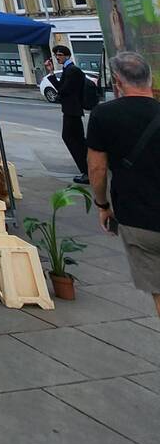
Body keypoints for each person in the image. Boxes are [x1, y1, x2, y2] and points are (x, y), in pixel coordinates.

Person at [86, 50, 160, 318]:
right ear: (150, 80)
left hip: (139, 219)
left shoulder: (103, 115)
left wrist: (102, 205)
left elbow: (97, 168)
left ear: (117, 82)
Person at [53, 44, 89, 183]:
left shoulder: (72, 70)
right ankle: (88, 168)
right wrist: (51, 73)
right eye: (56, 55)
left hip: (73, 110)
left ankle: (87, 170)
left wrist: (59, 94)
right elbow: (60, 88)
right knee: (77, 139)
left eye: (60, 55)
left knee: (73, 139)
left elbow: (64, 90)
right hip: (70, 110)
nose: (57, 57)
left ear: (67, 55)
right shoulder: (67, 69)